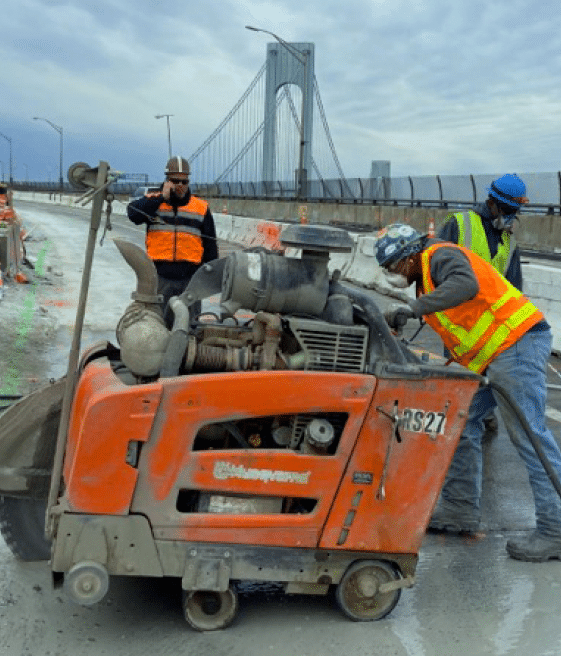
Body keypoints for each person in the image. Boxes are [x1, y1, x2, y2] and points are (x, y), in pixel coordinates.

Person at [375, 222, 561, 561]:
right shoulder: (426, 281)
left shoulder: (439, 256)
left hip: (516, 344)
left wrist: (413, 310)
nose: (393, 274)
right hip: (492, 358)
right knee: (460, 420)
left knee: (530, 436)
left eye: (394, 266)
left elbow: (466, 284)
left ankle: (555, 529)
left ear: (409, 255)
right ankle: (459, 508)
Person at [437, 173, 529, 445]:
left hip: (490, 324)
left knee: (487, 373)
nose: (512, 216)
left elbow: (514, 288)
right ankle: (458, 418)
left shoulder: (508, 242)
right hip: (457, 317)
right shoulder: (460, 224)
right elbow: (435, 263)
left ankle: (481, 413)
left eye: (515, 212)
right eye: (509, 210)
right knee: (460, 372)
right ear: (494, 204)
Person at [127, 156, 218, 315]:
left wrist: (209, 278)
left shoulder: (201, 208)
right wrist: (162, 197)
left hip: (191, 280)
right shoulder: (153, 202)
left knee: (189, 327)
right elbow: (133, 215)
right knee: (158, 325)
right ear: (167, 181)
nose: (180, 185)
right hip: (160, 278)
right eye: (176, 181)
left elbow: (210, 247)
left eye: (185, 182)